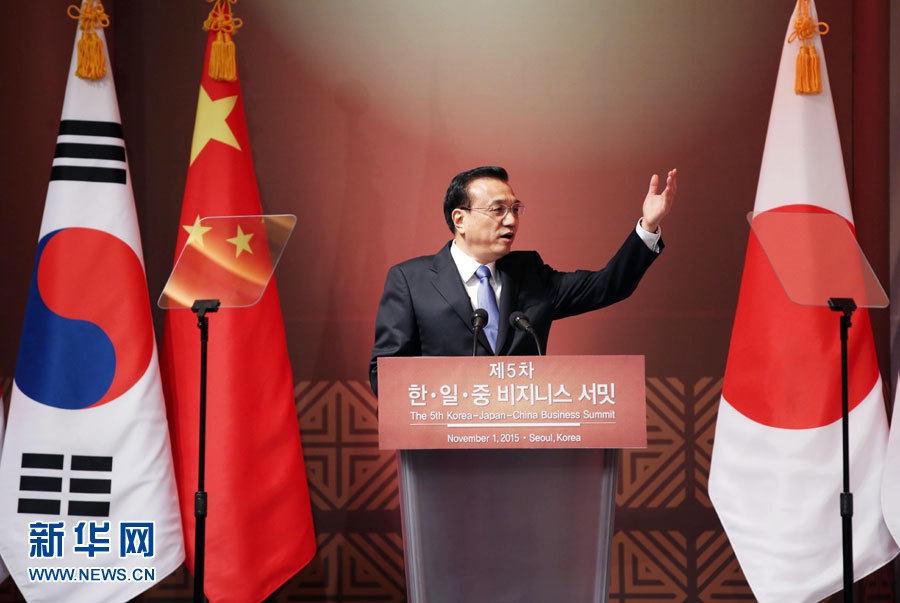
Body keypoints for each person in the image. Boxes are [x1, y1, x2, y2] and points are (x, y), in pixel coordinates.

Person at [369, 165, 676, 395]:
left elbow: (608, 286)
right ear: (460, 219)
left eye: (515, 209)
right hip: (443, 445)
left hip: (523, 440)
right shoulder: (410, 280)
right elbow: (384, 375)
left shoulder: (530, 274)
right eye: (498, 210)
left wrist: (648, 227)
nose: (512, 219)